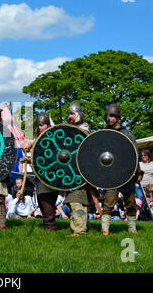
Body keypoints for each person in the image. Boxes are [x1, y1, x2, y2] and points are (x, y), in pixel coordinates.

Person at [100, 103, 138, 235]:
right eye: (108, 116)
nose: (109, 118)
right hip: (111, 173)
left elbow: (134, 153)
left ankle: (132, 228)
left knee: (130, 202)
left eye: (112, 116)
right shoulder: (104, 133)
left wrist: (136, 171)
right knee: (109, 202)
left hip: (126, 171)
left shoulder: (127, 133)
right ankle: (105, 229)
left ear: (118, 117)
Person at [63, 101, 93, 236]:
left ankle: (79, 230)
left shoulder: (84, 130)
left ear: (79, 115)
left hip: (80, 172)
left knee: (77, 201)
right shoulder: (69, 129)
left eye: (72, 114)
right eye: (68, 113)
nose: (70, 116)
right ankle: (84, 225)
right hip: (71, 171)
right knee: (76, 201)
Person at [32, 112, 60, 231]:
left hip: (54, 176)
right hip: (41, 177)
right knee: (43, 201)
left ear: (48, 125)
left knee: (50, 202)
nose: (40, 127)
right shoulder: (36, 140)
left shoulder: (55, 138)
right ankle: (49, 226)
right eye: (39, 125)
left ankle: (50, 226)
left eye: (43, 125)